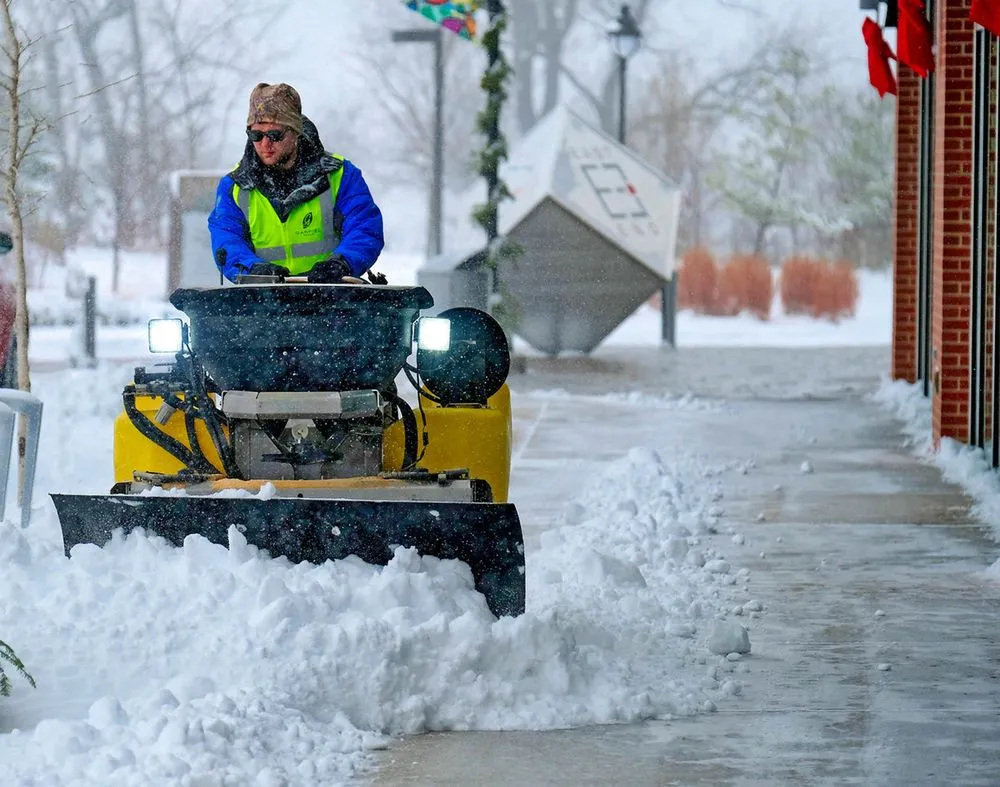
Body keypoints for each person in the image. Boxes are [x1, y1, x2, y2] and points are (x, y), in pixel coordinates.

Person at [208, 82, 384, 283]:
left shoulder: (341, 175)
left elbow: (364, 227)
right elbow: (226, 239)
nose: (265, 144)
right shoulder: (233, 187)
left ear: (295, 132)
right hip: (263, 299)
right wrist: (254, 270)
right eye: (256, 135)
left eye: (275, 135)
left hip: (332, 295)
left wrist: (341, 263)